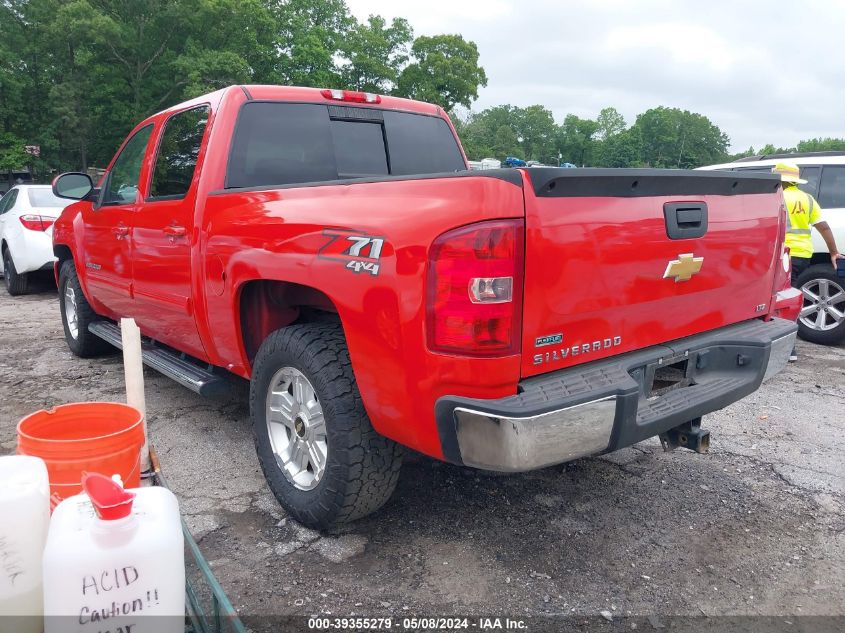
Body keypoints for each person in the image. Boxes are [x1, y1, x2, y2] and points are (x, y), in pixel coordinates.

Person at [772, 162, 845, 361]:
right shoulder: (808, 199)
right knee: (790, 297)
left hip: (782, 254)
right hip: (803, 254)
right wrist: (833, 252)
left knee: (778, 301)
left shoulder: (777, 196)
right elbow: (824, 227)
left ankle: (788, 349)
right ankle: (788, 347)